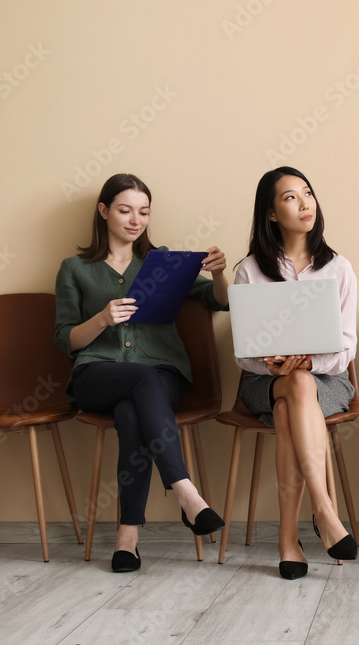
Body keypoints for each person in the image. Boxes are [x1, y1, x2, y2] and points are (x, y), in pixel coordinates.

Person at [55, 173, 229, 573]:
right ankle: (186, 491)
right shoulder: (74, 268)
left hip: (160, 375)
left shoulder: (162, 263)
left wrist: (219, 273)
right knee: (141, 380)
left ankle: (127, 539)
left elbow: (216, 301)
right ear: (103, 211)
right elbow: (65, 339)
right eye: (125, 210)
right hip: (96, 374)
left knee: (132, 413)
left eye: (144, 212)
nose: (136, 220)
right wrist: (101, 319)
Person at [234, 166, 358, 580]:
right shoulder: (249, 270)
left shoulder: (339, 268)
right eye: (290, 197)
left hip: (326, 381)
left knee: (296, 395)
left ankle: (290, 539)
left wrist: (310, 363)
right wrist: (267, 363)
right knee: (290, 389)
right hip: (262, 383)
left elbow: (346, 348)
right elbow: (242, 356)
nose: (305, 203)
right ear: (270, 213)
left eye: (308, 193)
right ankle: (323, 510)